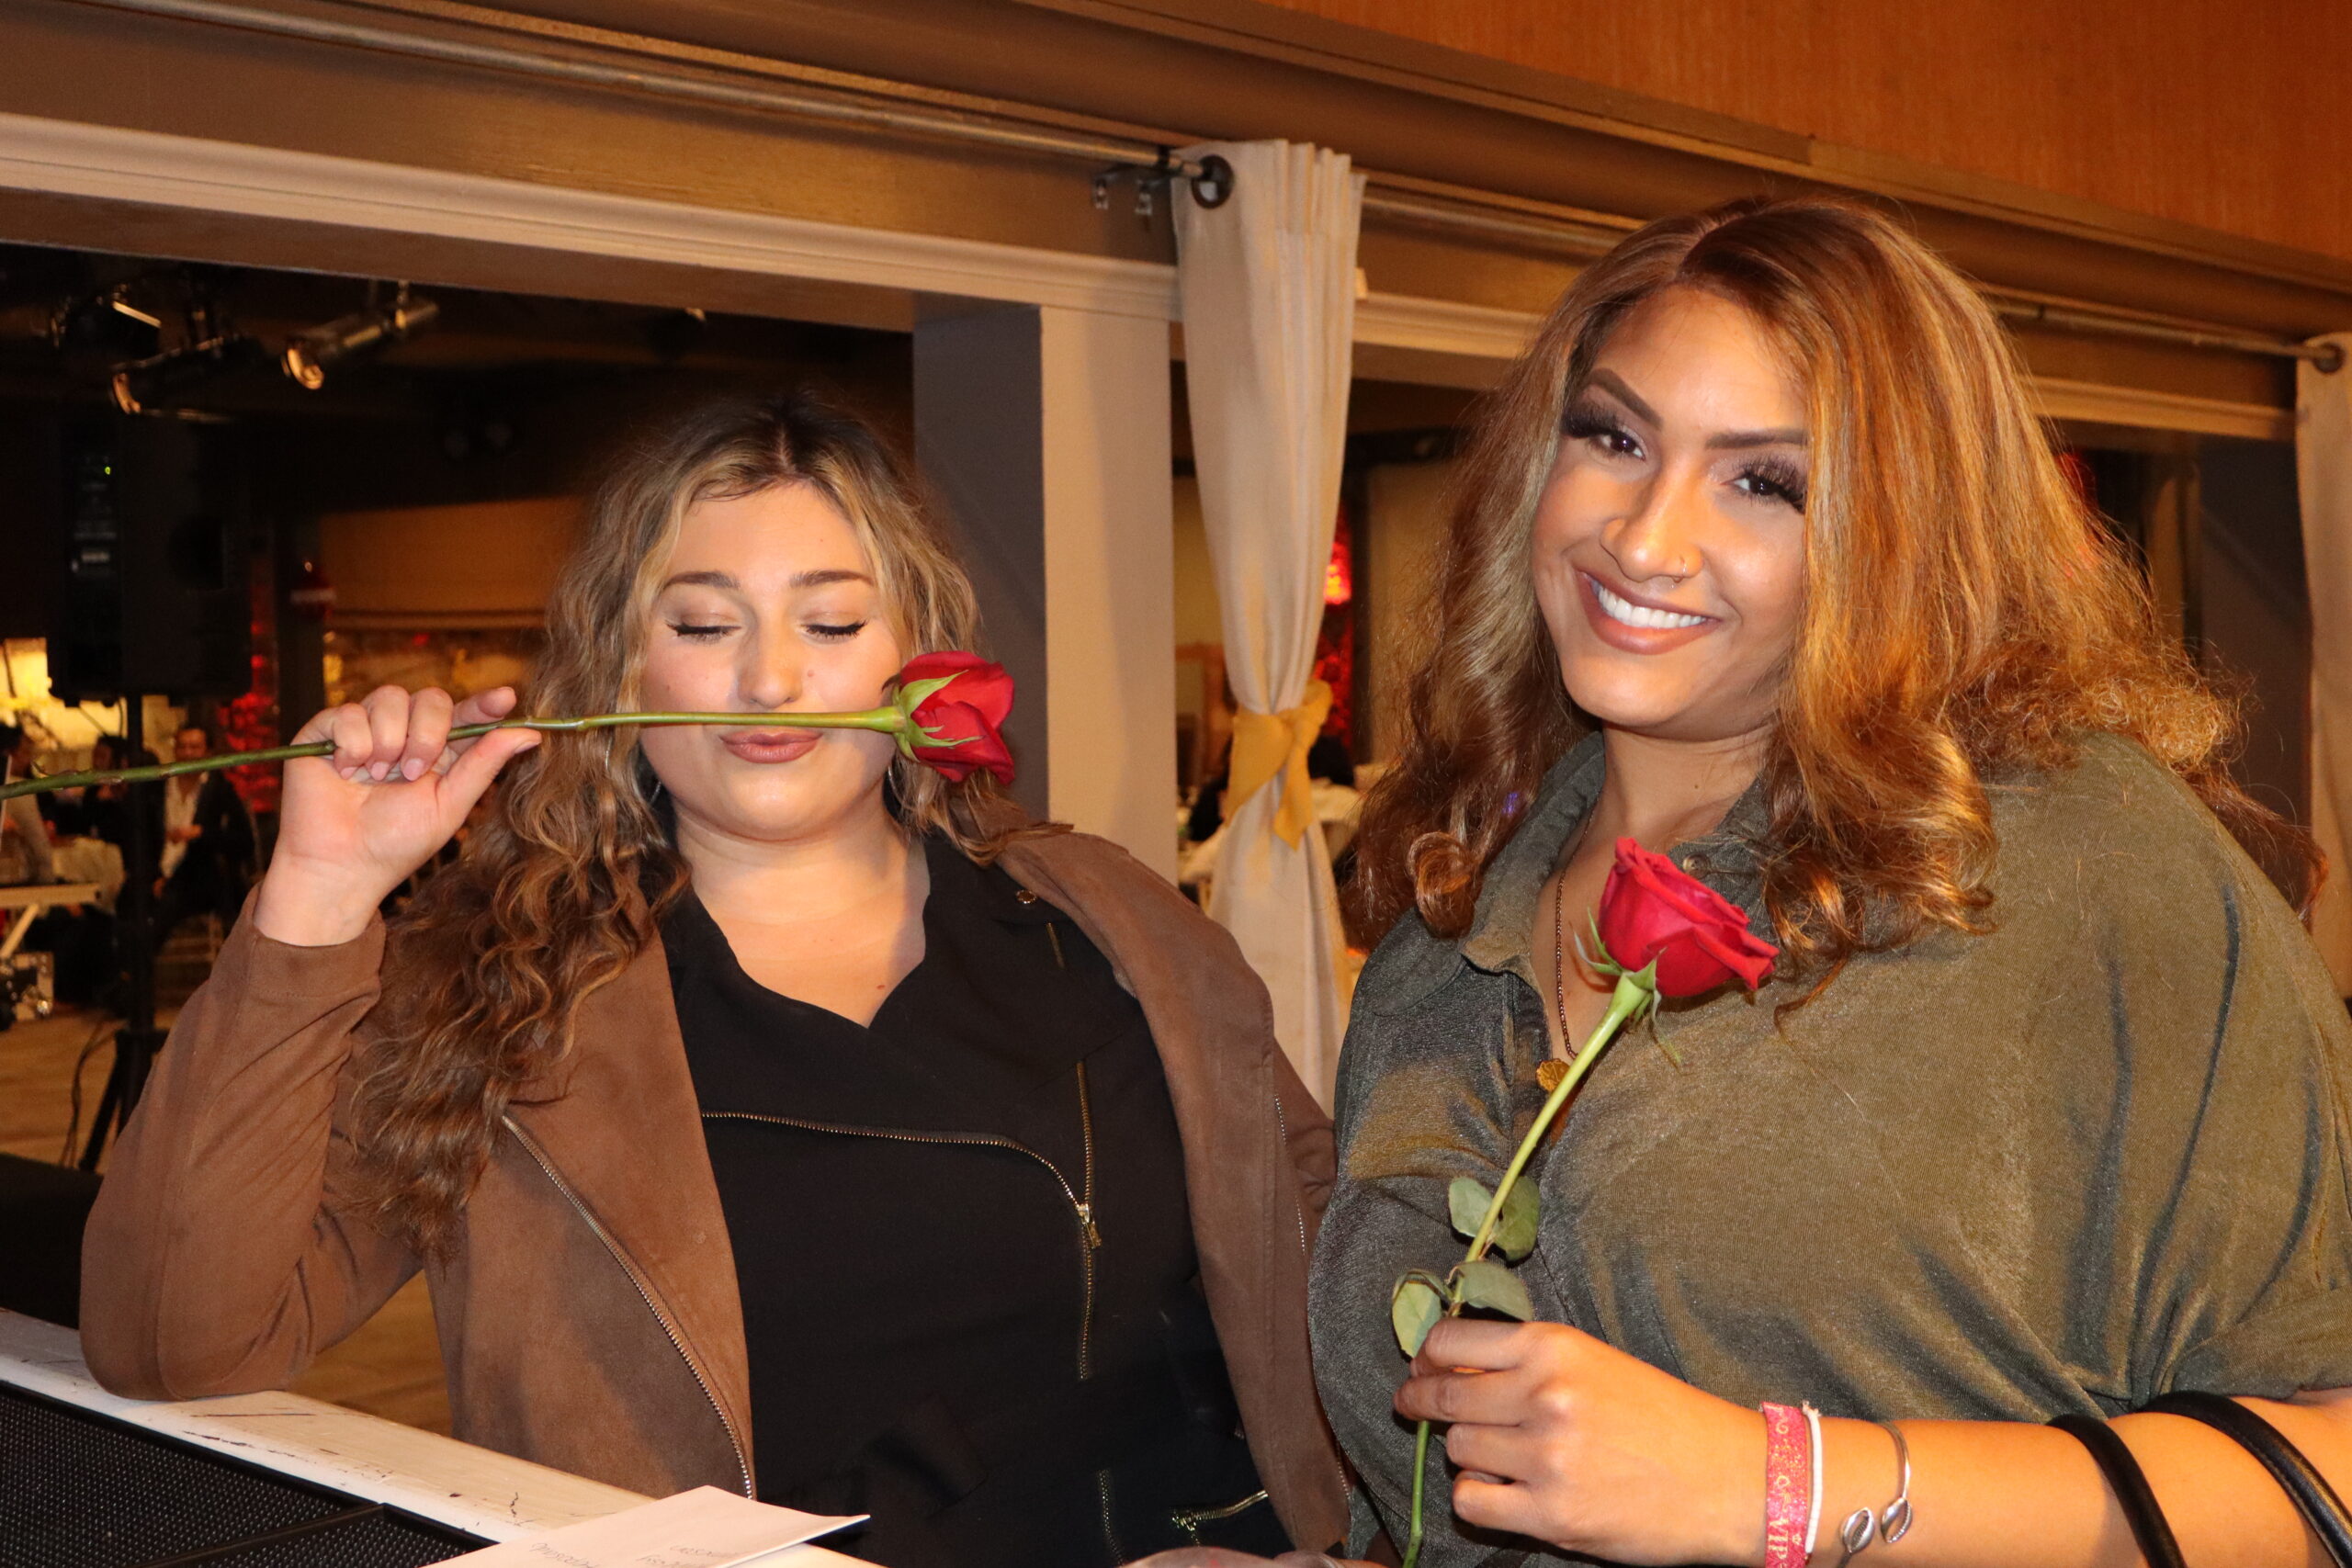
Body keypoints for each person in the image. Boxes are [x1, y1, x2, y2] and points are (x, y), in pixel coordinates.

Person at [81, 391, 1348, 1568]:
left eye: (831, 623)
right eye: (701, 624)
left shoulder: (1110, 918)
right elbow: (173, 1342)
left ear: (915, 653)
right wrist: (317, 892)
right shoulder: (499, 993)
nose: (770, 679)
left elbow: (1320, 1244)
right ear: (622, 666)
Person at [1309, 198, 2352, 1567]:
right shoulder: (1439, 944)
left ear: (1902, 539)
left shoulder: (2082, 866)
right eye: (1614, 438)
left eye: (1767, 483)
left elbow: (2328, 1467)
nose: (1644, 537)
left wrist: (1770, 1483)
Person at [150, 722, 254, 952]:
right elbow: (145, 838)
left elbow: (243, 841)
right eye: (182, 746)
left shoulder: (220, 790)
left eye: (194, 747)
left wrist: (202, 833)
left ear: (207, 752)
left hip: (198, 878)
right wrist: (155, 876)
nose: (188, 753)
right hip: (156, 874)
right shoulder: (159, 789)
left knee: (162, 913)